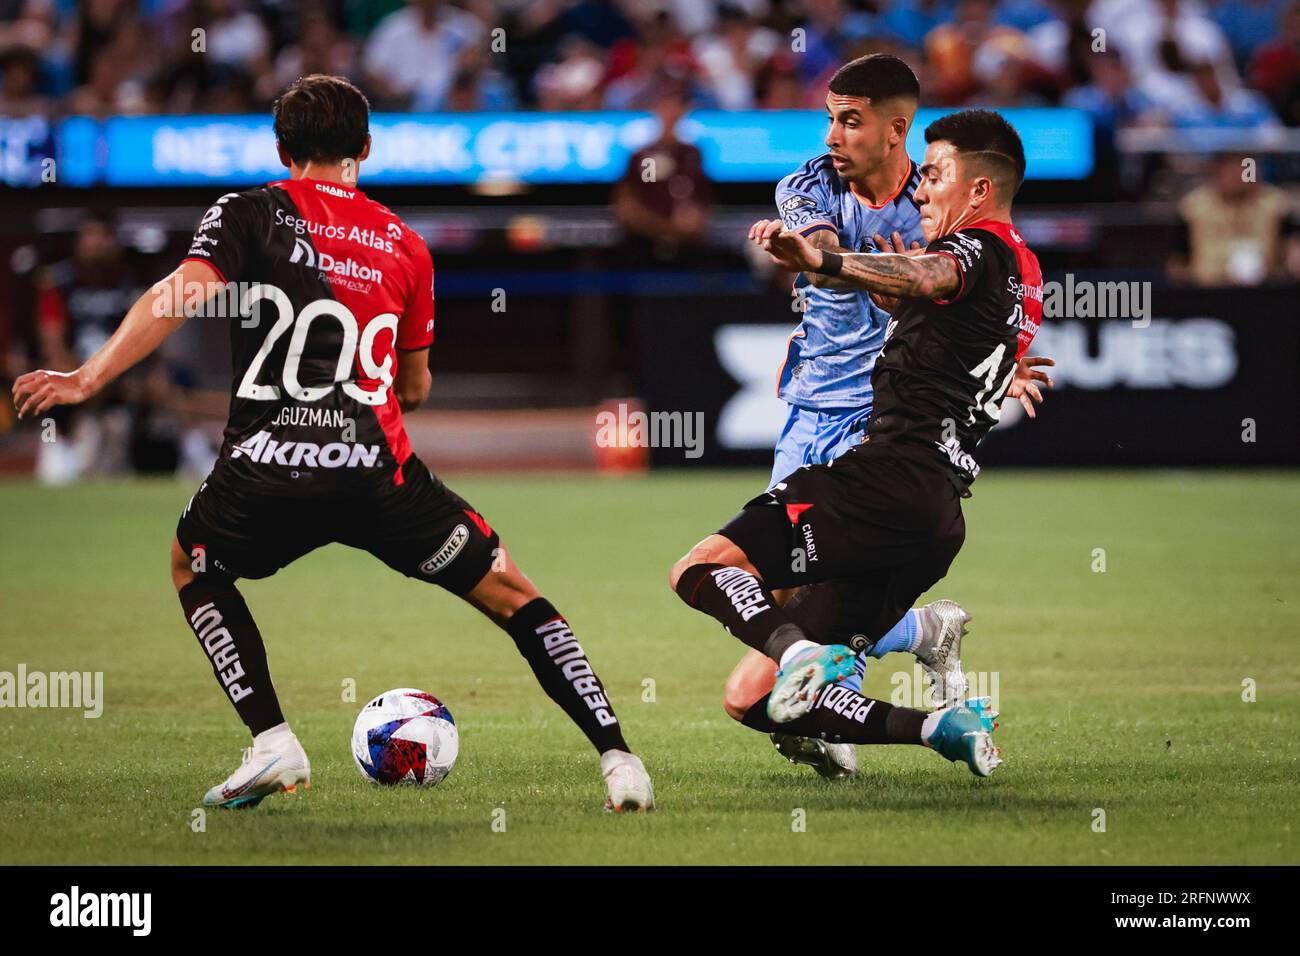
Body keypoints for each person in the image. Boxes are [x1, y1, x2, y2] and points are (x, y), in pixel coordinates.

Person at [12, 74, 653, 813]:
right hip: (377, 477)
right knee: (515, 597)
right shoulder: (406, 245)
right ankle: (619, 759)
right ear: (367, 148)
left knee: (194, 566)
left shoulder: (250, 211)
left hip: (264, 473)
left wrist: (88, 377)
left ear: (283, 149)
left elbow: (179, 293)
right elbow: (412, 389)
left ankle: (273, 738)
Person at [669, 109, 1045, 779]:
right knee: (748, 699)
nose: (923, 189)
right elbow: (933, 307)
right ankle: (941, 728)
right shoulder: (1023, 272)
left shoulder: (977, 249)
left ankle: (798, 654)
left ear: (979, 191)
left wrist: (823, 257)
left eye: (936, 175)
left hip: (882, 483)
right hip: (931, 524)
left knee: (699, 569)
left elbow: (931, 277)